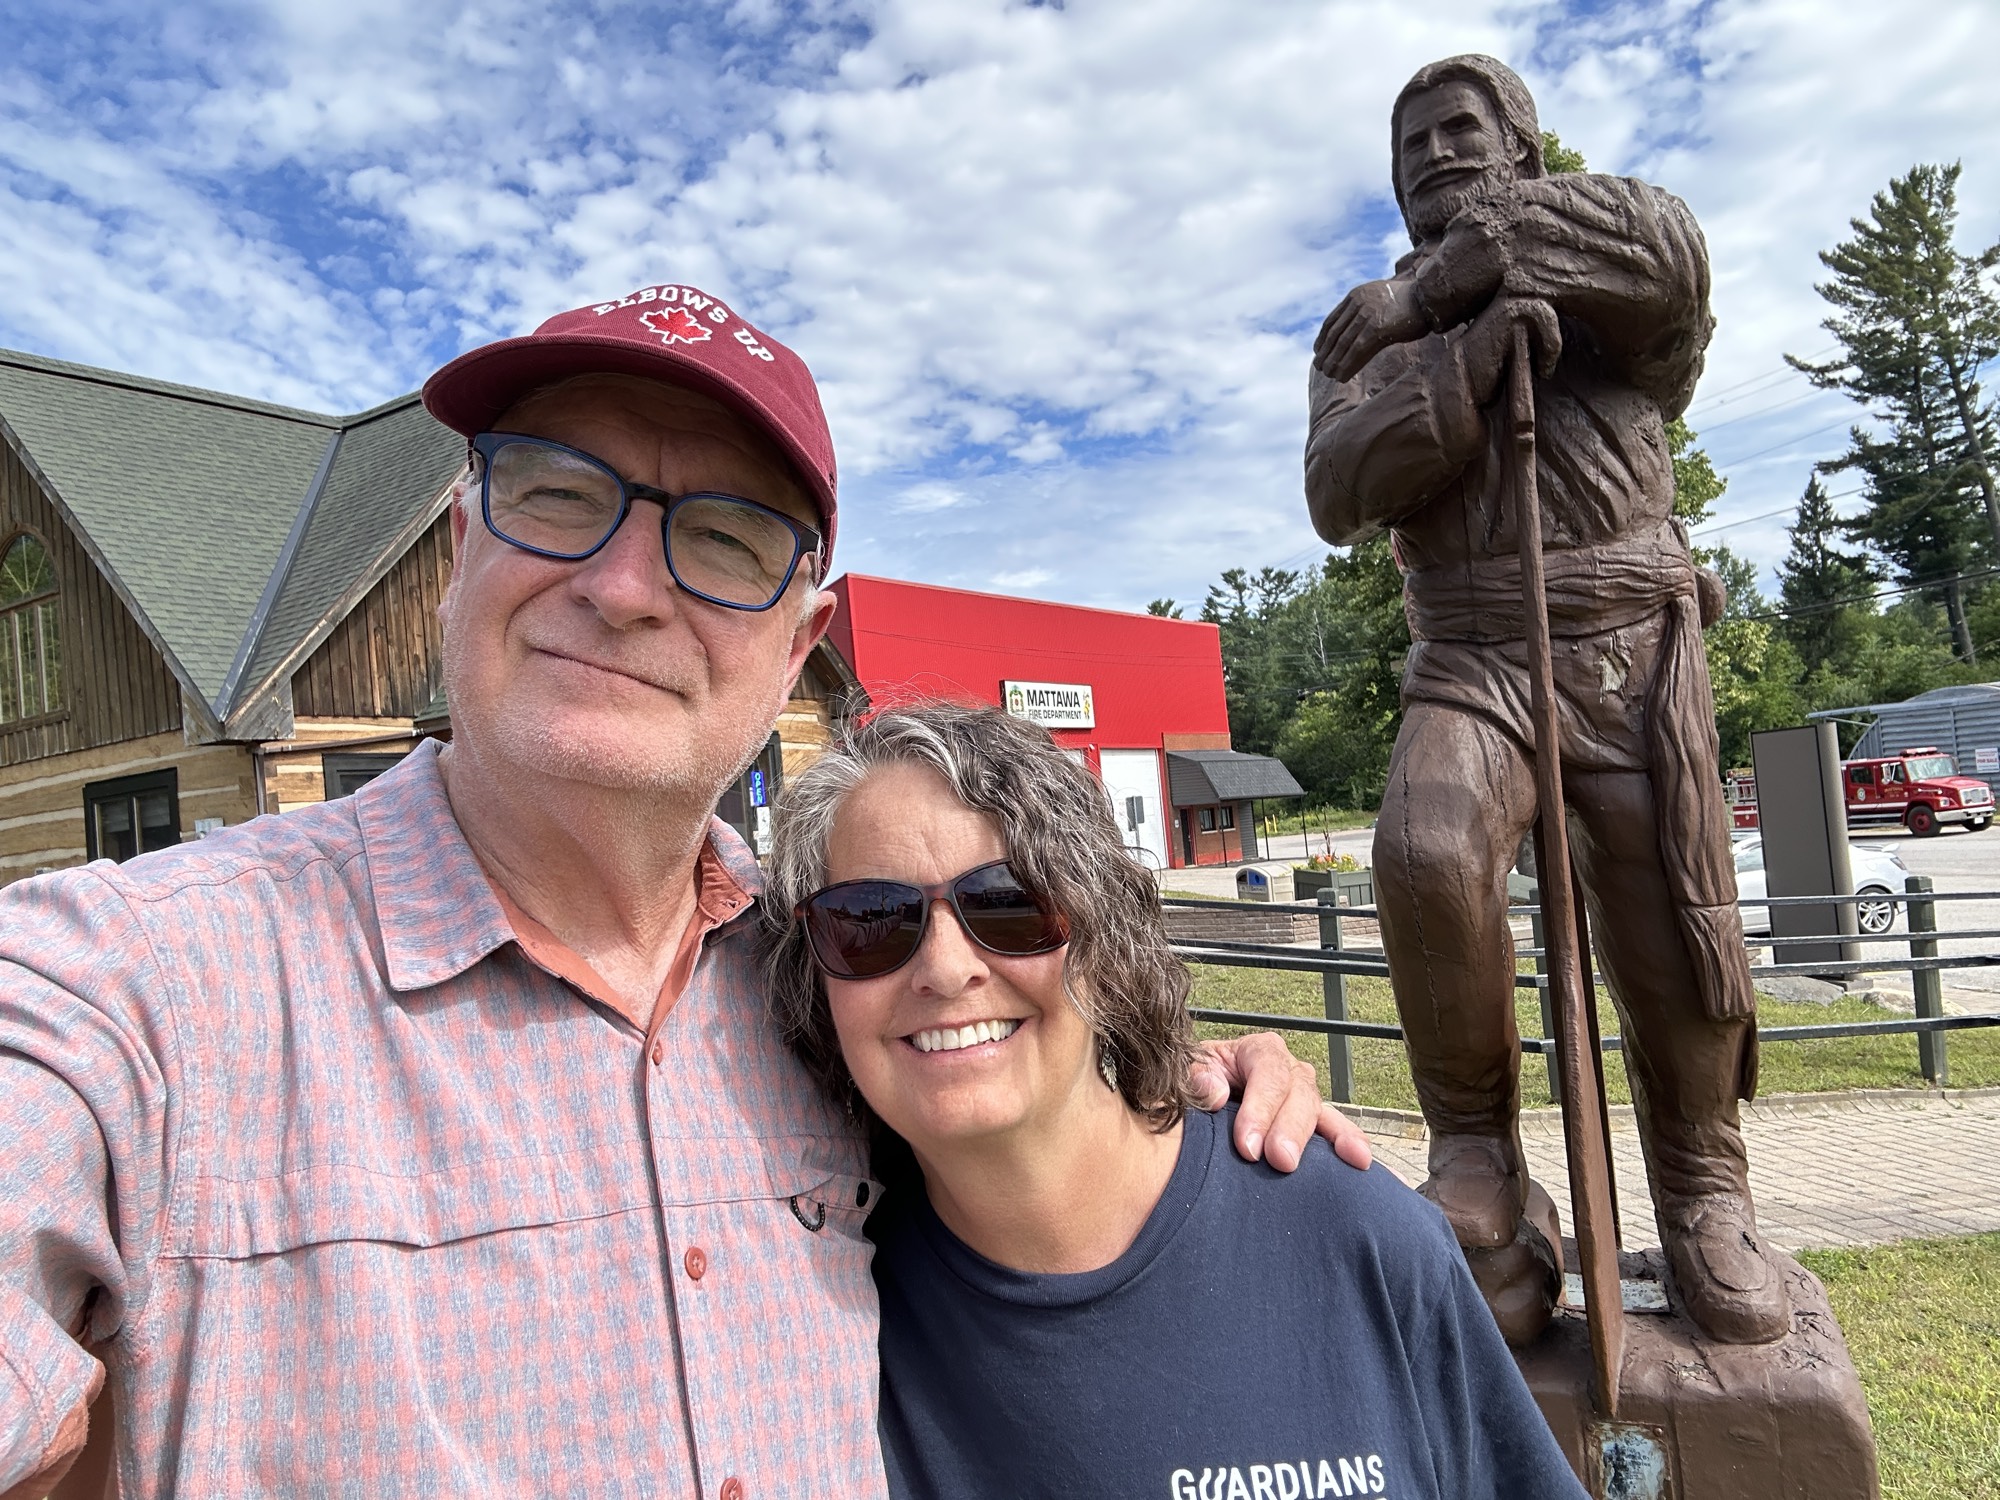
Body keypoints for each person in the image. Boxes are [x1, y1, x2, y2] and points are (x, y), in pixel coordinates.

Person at [0, 284, 1367, 1498]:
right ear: (462, 543)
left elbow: (1020, 1108)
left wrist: (1177, 1089)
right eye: (557, 492)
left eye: (723, 538)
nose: (622, 586)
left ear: (799, 643)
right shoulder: (137, 994)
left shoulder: (841, 981)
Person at [765, 699, 1588, 1500]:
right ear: (818, 980)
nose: (946, 970)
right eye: (868, 919)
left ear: (1104, 938)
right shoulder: (816, 1323)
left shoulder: (1359, 1241)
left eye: (1009, 903)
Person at [1304, 53, 1785, 1346]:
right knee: (1423, 850)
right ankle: (1478, 1162)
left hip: (1624, 651)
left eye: (1459, 129)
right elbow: (1338, 487)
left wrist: (1446, 283)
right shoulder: (1363, 333)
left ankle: (1703, 1187)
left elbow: (1671, 260)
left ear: (1520, 147)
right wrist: (1459, 362)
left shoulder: (1602, 244)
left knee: (1667, 920)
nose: (1434, 155)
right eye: (1410, 145)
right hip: (1470, 652)